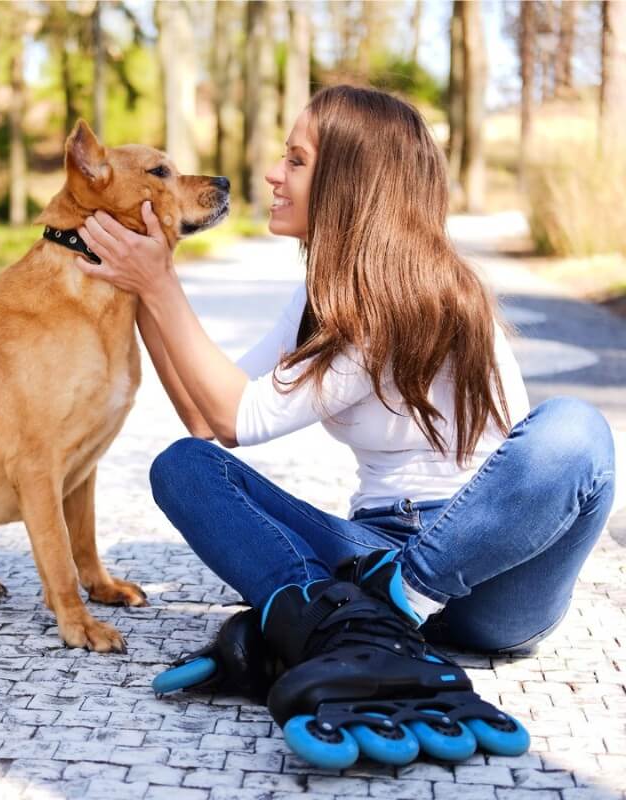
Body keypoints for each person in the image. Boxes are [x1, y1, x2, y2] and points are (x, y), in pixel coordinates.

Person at [74, 85, 616, 658]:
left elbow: (237, 418)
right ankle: (354, 612)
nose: (272, 175)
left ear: (350, 183)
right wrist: (146, 287)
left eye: (296, 161)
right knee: (185, 467)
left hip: (492, 576)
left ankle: (375, 604)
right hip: (375, 548)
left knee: (576, 430)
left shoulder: (411, 294)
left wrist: (158, 282)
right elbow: (206, 420)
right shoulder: (319, 295)